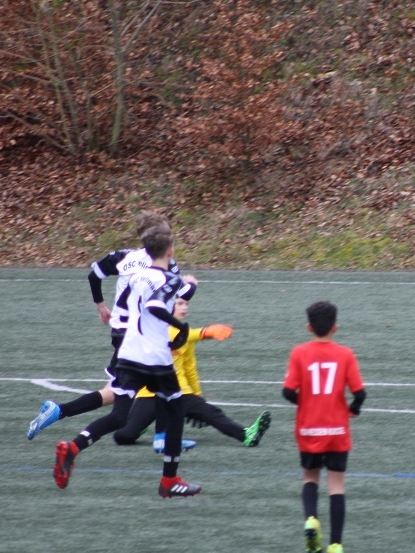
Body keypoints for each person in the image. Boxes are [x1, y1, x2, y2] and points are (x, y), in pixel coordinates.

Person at [52, 226, 200, 498]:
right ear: (170, 251)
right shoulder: (168, 277)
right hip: (154, 357)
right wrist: (180, 325)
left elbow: (139, 303)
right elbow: (158, 305)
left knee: (119, 416)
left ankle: (73, 447)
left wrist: (189, 287)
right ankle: (169, 480)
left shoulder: (135, 276)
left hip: (129, 352)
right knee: (176, 411)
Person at [26, 211, 195, 440]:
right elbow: (180, 295)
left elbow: (93, 276)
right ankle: (161, 438)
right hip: (139, 334)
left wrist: (101, 307)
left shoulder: (123, 256)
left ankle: (60, 412)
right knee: (157, 379)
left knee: (118, 391)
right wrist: (191, 284)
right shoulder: (167, 264)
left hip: (121, 330)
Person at [113, 298, 272, 449]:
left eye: (186, 304)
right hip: (150, 393)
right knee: (123, 436)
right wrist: (205, 332)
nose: (184, 308)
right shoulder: (158, 329)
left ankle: (246, 435)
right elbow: (179, 334)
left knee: (212, 414)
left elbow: (189, 368)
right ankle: (142, 427)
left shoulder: (184, 334)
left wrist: (197, 395)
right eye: (180, 303)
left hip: (179, 391)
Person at [282, 301, 366, 553]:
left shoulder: (299, 352)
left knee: (310, 477)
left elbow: (287, 391)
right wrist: (353, 409)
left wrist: (305, 402)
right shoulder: (346, 354)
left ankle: (311, 519)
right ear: (335, 327)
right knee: (336, 485)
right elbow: (360, 393)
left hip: (309, 429)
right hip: (337, 430)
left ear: (309, 327)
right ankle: (336, 547)